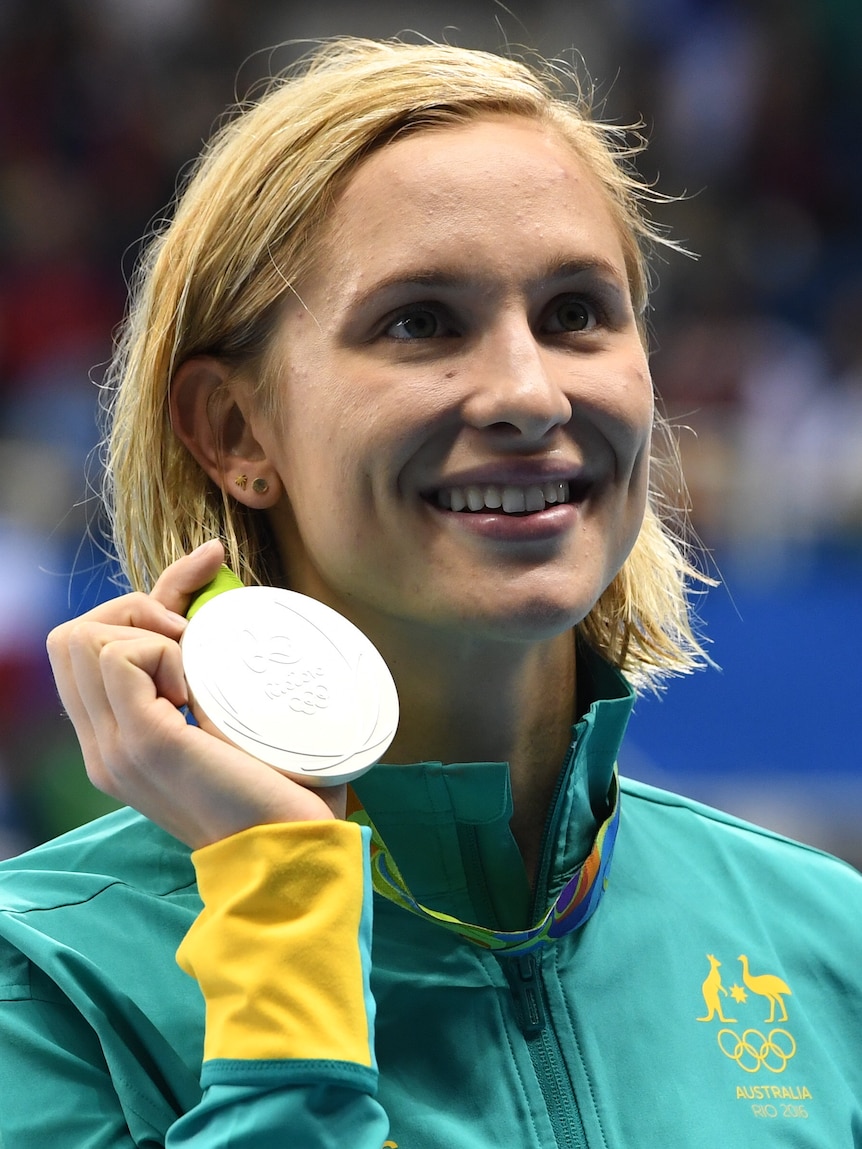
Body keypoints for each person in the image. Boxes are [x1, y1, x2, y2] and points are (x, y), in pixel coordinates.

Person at [0, 37, 859, 1148]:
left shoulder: (821, 940)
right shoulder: (50, 982)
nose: (526, 392)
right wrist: (279, 903)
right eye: (419, 323)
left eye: (574, 313)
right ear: (235, 430)